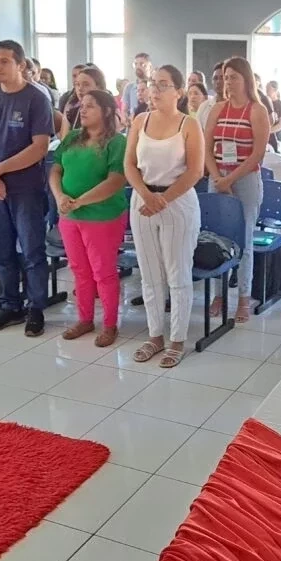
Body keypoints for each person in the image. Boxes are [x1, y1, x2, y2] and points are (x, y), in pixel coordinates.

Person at [125, 65, 205, 367]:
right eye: (151, 84)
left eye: (162, 85)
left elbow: (195, 171)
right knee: (149, 273)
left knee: (177, 274)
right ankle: (155, 335)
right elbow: (130, 165)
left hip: (178, 202)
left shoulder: (188, 124)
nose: (154, 90)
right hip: (143, 200)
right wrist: (147, 196)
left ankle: (177, 339)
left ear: (178, 92)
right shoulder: (140, 120)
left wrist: (163, 199)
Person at [0, 40, 52, 337]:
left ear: (20, 65)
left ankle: (36, 307)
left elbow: (40, 147)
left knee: (32, 250)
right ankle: (10, 304)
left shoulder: (36, 98)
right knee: (1, 249)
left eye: (4, 61)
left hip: (25, 187)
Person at [49, 89, 127, 347]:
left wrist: (81, 201)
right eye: (82, 105)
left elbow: (116, 180)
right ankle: (84, 319)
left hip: (102, 217)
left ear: (105, 111)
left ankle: (110, 324)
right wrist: (60, 195)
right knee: (79, 270)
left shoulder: (116, 142)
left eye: (90, 106)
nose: (82, 110)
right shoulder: (71, 138)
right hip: (70, 215)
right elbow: (56, 169)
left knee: (103, 272)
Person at [204, 57, 270, 320]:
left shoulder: (257, 110)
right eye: (225, 77)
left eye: (234, 77)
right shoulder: (217, 109)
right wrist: (218, 176)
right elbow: (207, 147)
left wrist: (230, 180)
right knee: (216, 238)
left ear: (246, 80)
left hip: (245, 181)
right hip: (218, 177)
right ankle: (219, 295)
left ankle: (243, 296)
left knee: (243, 240)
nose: (228, 82)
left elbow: (258, 154)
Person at [123, 52, 153, 117]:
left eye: (142, 64)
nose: (138, 67)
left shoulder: (154, 86)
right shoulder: (129, 87)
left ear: (150, 66)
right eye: (135, 64)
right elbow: (124, 110)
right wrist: (126, 119)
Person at [264, 80, 281, 152]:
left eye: (268, 89)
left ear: (275, 90)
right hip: (265, 139)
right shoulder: (264, 103)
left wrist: (266, 132)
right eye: (266, 89)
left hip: (276, 138)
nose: (266, 91)